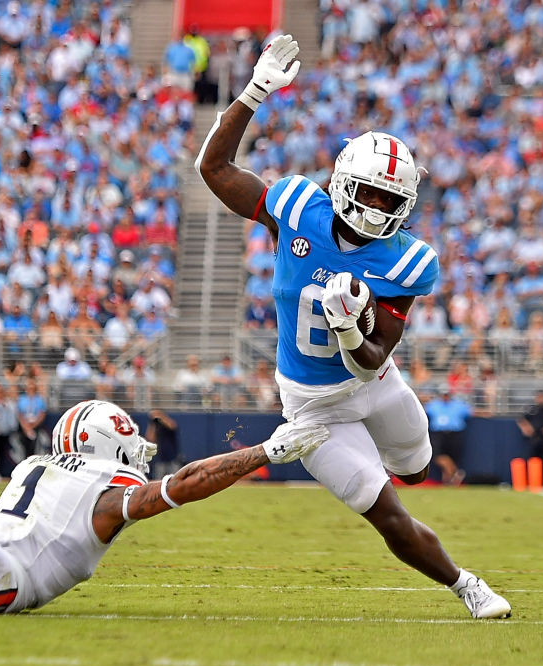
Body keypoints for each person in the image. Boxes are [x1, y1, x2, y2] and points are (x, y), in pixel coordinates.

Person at [195, 34, 510, 619]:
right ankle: (466, 584)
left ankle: (411, 478)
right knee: (389, 514)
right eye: (367, 191)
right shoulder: (296, 208)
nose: (375, 209)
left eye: (389, 199)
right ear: (341, 181)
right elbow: (212, 166)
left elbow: (373, 355)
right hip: (312, 407)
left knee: (417, 470)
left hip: (373, 381)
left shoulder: (406, 260)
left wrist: (347, 332)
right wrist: (255, 91)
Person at [0, 405, 328, 614]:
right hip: (2, 571)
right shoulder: (107, 493)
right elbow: (185, 483)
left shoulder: (40, 462)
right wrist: (265, 451)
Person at [423, 389, 472, 485]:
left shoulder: (458, 405)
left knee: (452, 456)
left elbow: (470, 412)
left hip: (454, 432)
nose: (445, 397)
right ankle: (455, 472)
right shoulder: (433, 405)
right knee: (437, 456)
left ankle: (449, 479)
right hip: (438, 433)